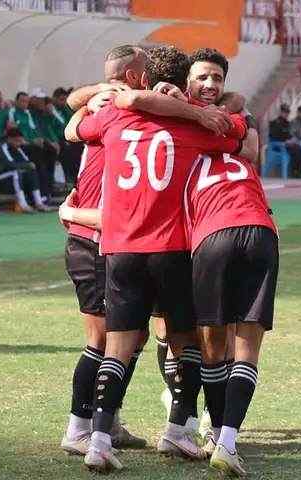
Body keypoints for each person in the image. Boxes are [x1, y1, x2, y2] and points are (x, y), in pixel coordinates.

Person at [67, 44, 247, 472]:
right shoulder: (188, 127)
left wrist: (101, 99)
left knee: (118, 344)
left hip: (120, 248)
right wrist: (199, 111)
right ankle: (178, 430)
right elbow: (237, 135)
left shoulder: (114, 117)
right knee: (185, 340)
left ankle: (98, 441)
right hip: (170, 247)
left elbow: (76, 129)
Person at [183, 47, 277, 477]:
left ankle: (202, 425)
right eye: (203, 77)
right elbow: (252, 144)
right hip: (259, 229)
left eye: (216, 78)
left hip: (210, 236)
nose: (210, 85)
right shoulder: (236, 131)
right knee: (247, 347)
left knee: (211, 346)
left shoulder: (184, 135)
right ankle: (227, 443)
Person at [58, 45, 152, 459]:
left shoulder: (107, 108)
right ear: (133, 77)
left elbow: (72, 118)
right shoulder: (117, 111)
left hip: (114, 238)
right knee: (101, 339)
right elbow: (73, 111)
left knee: (133, 335)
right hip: (92, 237)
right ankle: (78, 427)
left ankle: (106, 417)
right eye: (146, 73)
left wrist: (88, 99)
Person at [9, 91, 57, 200]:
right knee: (38, 156)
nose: (24, 104)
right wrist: (29, 141)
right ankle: (42, 193)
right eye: (22, 101)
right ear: (16, 101)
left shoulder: (28, 114)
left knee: (51, 151)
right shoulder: (12, 112)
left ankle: (49, 189)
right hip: (20, 144)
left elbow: (33, 130)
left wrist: (40, 139)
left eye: (26, 101)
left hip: (31, 143)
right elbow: (12, 131)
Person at [0, 127, 54, 213]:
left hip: (16, 176)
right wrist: (26, 165)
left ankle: (39, 203)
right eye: (17, 141)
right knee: (16, 173)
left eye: (20, 141)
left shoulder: (18, 148)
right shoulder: (3, 147)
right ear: (9, 139)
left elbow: (26, 161)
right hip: (1, 177)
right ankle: (23, 205)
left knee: (32, 172)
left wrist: (29, 165)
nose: (19, 143)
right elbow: (10, 165)